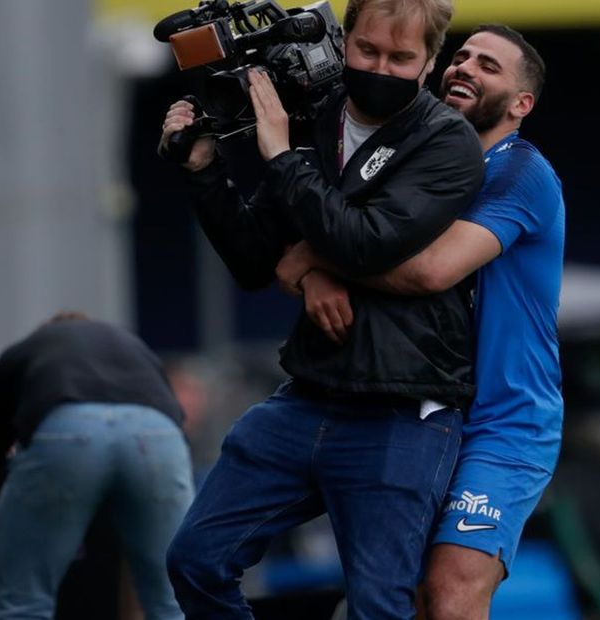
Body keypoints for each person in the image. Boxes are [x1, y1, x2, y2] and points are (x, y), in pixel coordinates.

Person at [159, 0, 485, 617]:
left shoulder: (447, 140)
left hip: (403, 408)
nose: (381, 67)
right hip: (309, 393)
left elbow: (363, 242)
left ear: (430, 61)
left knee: (377, 606)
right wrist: (203, 170)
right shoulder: (317, 115)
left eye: (401, 57)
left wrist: (286, 175)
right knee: (196, 559)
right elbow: (257, 261)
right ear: (343, 41)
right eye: (367, 51)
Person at [275, 24, 564, 620]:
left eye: (488, 65)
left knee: (452, 589)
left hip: (504, 422)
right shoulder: (417, 156)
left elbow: (430, 270)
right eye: (460, 57)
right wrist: (313, 270)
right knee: (391, 594)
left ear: (521, 104)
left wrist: (319, 258)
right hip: (415, 405)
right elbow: (324, 238)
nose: (464, 67)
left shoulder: (520, 172)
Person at [0, 313, 194, 620]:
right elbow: (143, 547)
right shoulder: (137, 354)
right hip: (160, 436)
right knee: (169, 605)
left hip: (67, 429)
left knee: (24, 606)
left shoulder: (21, 356)